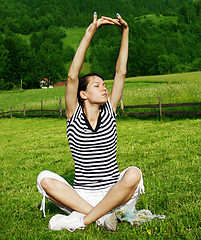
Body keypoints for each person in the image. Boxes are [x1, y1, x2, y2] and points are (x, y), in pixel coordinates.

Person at [37, 12, 145, 232]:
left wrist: (125, 32)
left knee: (134, 173)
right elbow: (72, 76)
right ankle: (105, 216)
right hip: (82, 194)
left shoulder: (109, 111)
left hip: (112, 191)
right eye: (97, 85)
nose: (104, 87)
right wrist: (89, 33)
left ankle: (83, 219)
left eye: (104, 84)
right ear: (83, 94)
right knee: (44, 179)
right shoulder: (73, 115)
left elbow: (121, 72)